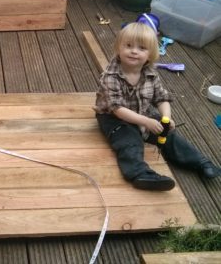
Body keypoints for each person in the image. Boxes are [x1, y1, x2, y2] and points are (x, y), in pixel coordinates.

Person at [94, 22, 220, 191]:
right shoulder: (111, 76)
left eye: (141, 48)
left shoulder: (150, 73)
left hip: (141, 113)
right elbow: (117, 109)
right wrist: (146, 122)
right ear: (118, 48)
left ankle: (200, 162)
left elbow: (161, 98)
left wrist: (166, 118)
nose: (134, 51)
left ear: (150, 54)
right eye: (128, 46)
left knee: (169, 134)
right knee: (129, 140)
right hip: (113, 118)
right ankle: (140, 174)